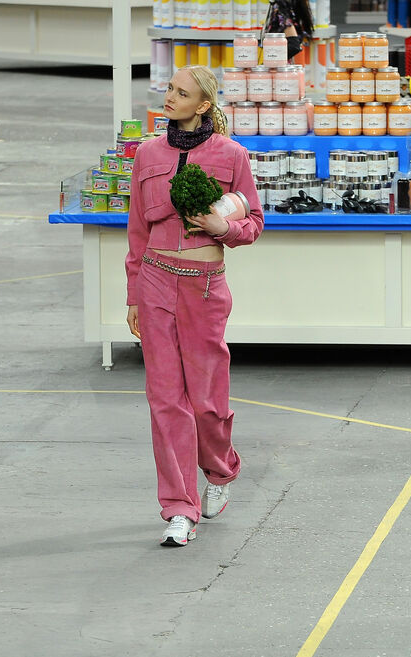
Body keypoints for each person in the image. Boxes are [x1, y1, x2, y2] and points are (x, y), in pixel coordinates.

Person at [125, 66, 264, 547]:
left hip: (205, 288)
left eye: (182, 93)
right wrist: (134, 294)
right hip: (156, 281)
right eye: (169, 89)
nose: (170, 97)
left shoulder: (232, 155)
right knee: (165, 399)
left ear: (203, 105)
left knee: (207, 402)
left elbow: (254, 224)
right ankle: (179, 510)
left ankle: (220, 470)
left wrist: (221, 225)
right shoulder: (148, 153)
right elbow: (137, 233)